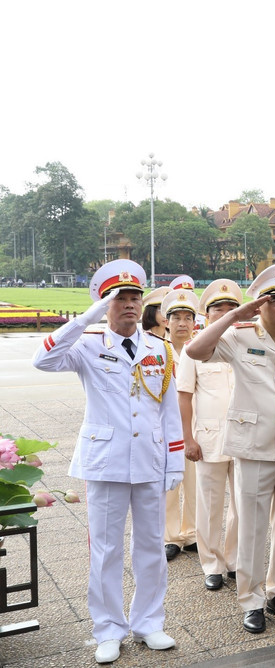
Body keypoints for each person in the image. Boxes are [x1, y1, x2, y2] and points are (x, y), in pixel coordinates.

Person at [33, 260, 182, 664]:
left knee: (151, 545)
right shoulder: (87, 344)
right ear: (105, 304)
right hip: (106, 461)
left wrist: (176, 462)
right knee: (105, 549)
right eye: (120, 299)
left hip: (150, 459)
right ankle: (108, 629)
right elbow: (42, 360)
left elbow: (170, 412)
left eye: (135, 297)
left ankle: (149, 622)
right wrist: (86, 319)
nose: (130, 305)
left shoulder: (160, 349)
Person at [186, 264, 275, 634]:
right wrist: (232, 315)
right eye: (274, 300)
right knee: (252, 528)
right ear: (259, 305)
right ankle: (251, 599)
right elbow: (196, 349)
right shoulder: (239, 336)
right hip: (253, 447)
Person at [177, 279, 242, 591]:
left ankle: (235, 559)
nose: (226, 313)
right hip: (208, 439)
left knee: (244, 505)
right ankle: (212, 564)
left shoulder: (248, 345)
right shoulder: (194, 348)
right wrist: (188, 439)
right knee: (210, 504)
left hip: (245, 439)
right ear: (207, 314)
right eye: (219, 309)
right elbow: (185, 396)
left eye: (232, 308)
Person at [159, 288, 201, 561]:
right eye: (177, 318)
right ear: (166, 321)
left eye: (188, 318)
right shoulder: (155, 349)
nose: (182, 323)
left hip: (198, 425)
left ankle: (193, 533)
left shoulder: (202, 349)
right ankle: (171, 537)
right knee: (169, 485)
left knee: (197, 484)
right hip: (165, 429)